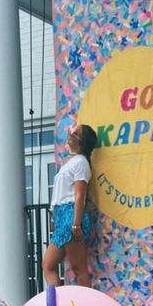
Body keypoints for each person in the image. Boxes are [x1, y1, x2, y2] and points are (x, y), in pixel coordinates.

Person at [43, 123, 97, 288]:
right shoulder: (70, 161)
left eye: (76, 132)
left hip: (71, 215)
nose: (71, 133)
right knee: (48, 265)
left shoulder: (81, 162)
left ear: (82, 141)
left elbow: (79, 194)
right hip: (62, 217)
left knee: (78, 267)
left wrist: (76, 223)